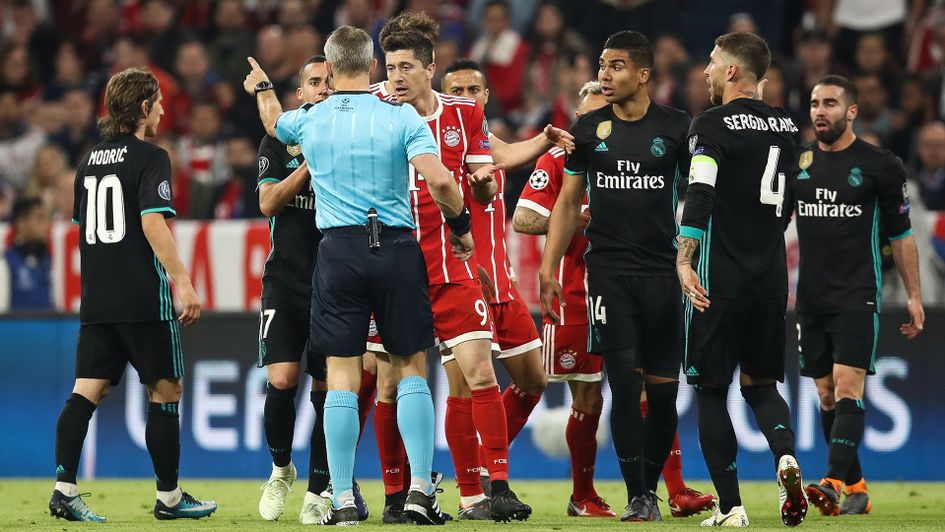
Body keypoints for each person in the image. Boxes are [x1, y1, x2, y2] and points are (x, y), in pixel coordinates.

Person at [243, 25, 485, 526]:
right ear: (373, 66)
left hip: (338, 252)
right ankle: (420, 493)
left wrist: (264, 88)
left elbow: (272, 123)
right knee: (411, 367)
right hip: (395, 247)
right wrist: (461, 227)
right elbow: (441, 181)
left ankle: (341, 500)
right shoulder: (401, 116)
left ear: (330, 70)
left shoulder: (310, 119)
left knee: (342, 376)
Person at [515, 79, 716, 520]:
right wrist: (588, 220)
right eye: (591, 116)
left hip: (635, 283)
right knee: (586, 396)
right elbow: (524, 218)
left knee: (649, 389)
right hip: (575, 294)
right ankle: (576, 494)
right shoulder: (559, 158)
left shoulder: (642, 152)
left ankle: (673, 490)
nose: (602, 123)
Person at [365, 15, 534, 523]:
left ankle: (493, 489)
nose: (396, 77)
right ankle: (395, 496)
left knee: (480, 372)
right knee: (389, 384)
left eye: (406, 67)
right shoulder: (369, 107)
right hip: (394, 270)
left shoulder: (464, 114)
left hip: (452, 267)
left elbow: (483, 177)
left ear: (429, 68)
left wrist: (483, 184)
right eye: (390, 67)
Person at [49, 67, 214, 523]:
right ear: (143, 107)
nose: (162, 110)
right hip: (143, 299)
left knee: (86, 391)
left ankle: (64, 489)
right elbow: (151, 222)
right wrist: (183, 282)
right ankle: (169, 498)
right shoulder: (151, 157)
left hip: (97, 300)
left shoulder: (87, 161)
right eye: (158, 102)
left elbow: (86, 231)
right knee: (166, 389)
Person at [539, 30, 690, 522]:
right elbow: (567, 203)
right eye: (602, 65)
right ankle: (639, 495)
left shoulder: (677, 127)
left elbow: (701, 195)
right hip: (608, 274)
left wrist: (695, 260)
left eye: (616, 66)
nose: (605, 74)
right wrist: (548, 267)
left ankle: (650, 485)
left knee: (663, 393)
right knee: (625, 386)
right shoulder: (587, 130)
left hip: (662, 275)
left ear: (643, 74)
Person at [676, 32, 806, 527]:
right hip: (770, 278)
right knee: (761, 385)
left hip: (718, 280)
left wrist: (685, 259)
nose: (706, 71)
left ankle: (731, 508)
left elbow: (700, 191)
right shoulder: (785, 126)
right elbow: (789, 201)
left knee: (711, 390)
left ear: (732, 71)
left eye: (712, 62)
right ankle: (785, 455)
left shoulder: (710, 124)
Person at [785, 75, 924, 517]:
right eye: (814, 103)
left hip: (857, 295)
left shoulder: (880, 165)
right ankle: (857, 488)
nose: (819, 111)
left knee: (848, 386)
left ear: (851, 111)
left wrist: (915, 296)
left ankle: (830, 482)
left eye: (829, 103)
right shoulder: (798, 162)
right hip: (810, 298)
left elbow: (901, 235)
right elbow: (773, 224)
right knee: (826, 395)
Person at [253, 55, 370, 525]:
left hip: (335, 284)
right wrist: (309, 165)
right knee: (282, 380)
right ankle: (281, 470)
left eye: (330, 82)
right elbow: (268, 202)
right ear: (300, 94)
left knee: (329, 388)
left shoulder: (353, 140)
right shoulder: (277, 140)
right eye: (315, 82)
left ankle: (319, 490)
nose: (323, 88)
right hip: (284, 281)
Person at [4, 196, 53, 310]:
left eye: (46, 218)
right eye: (39, 218)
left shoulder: (49, 260)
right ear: (21, 223)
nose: (46, 225)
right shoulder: (6, 263)